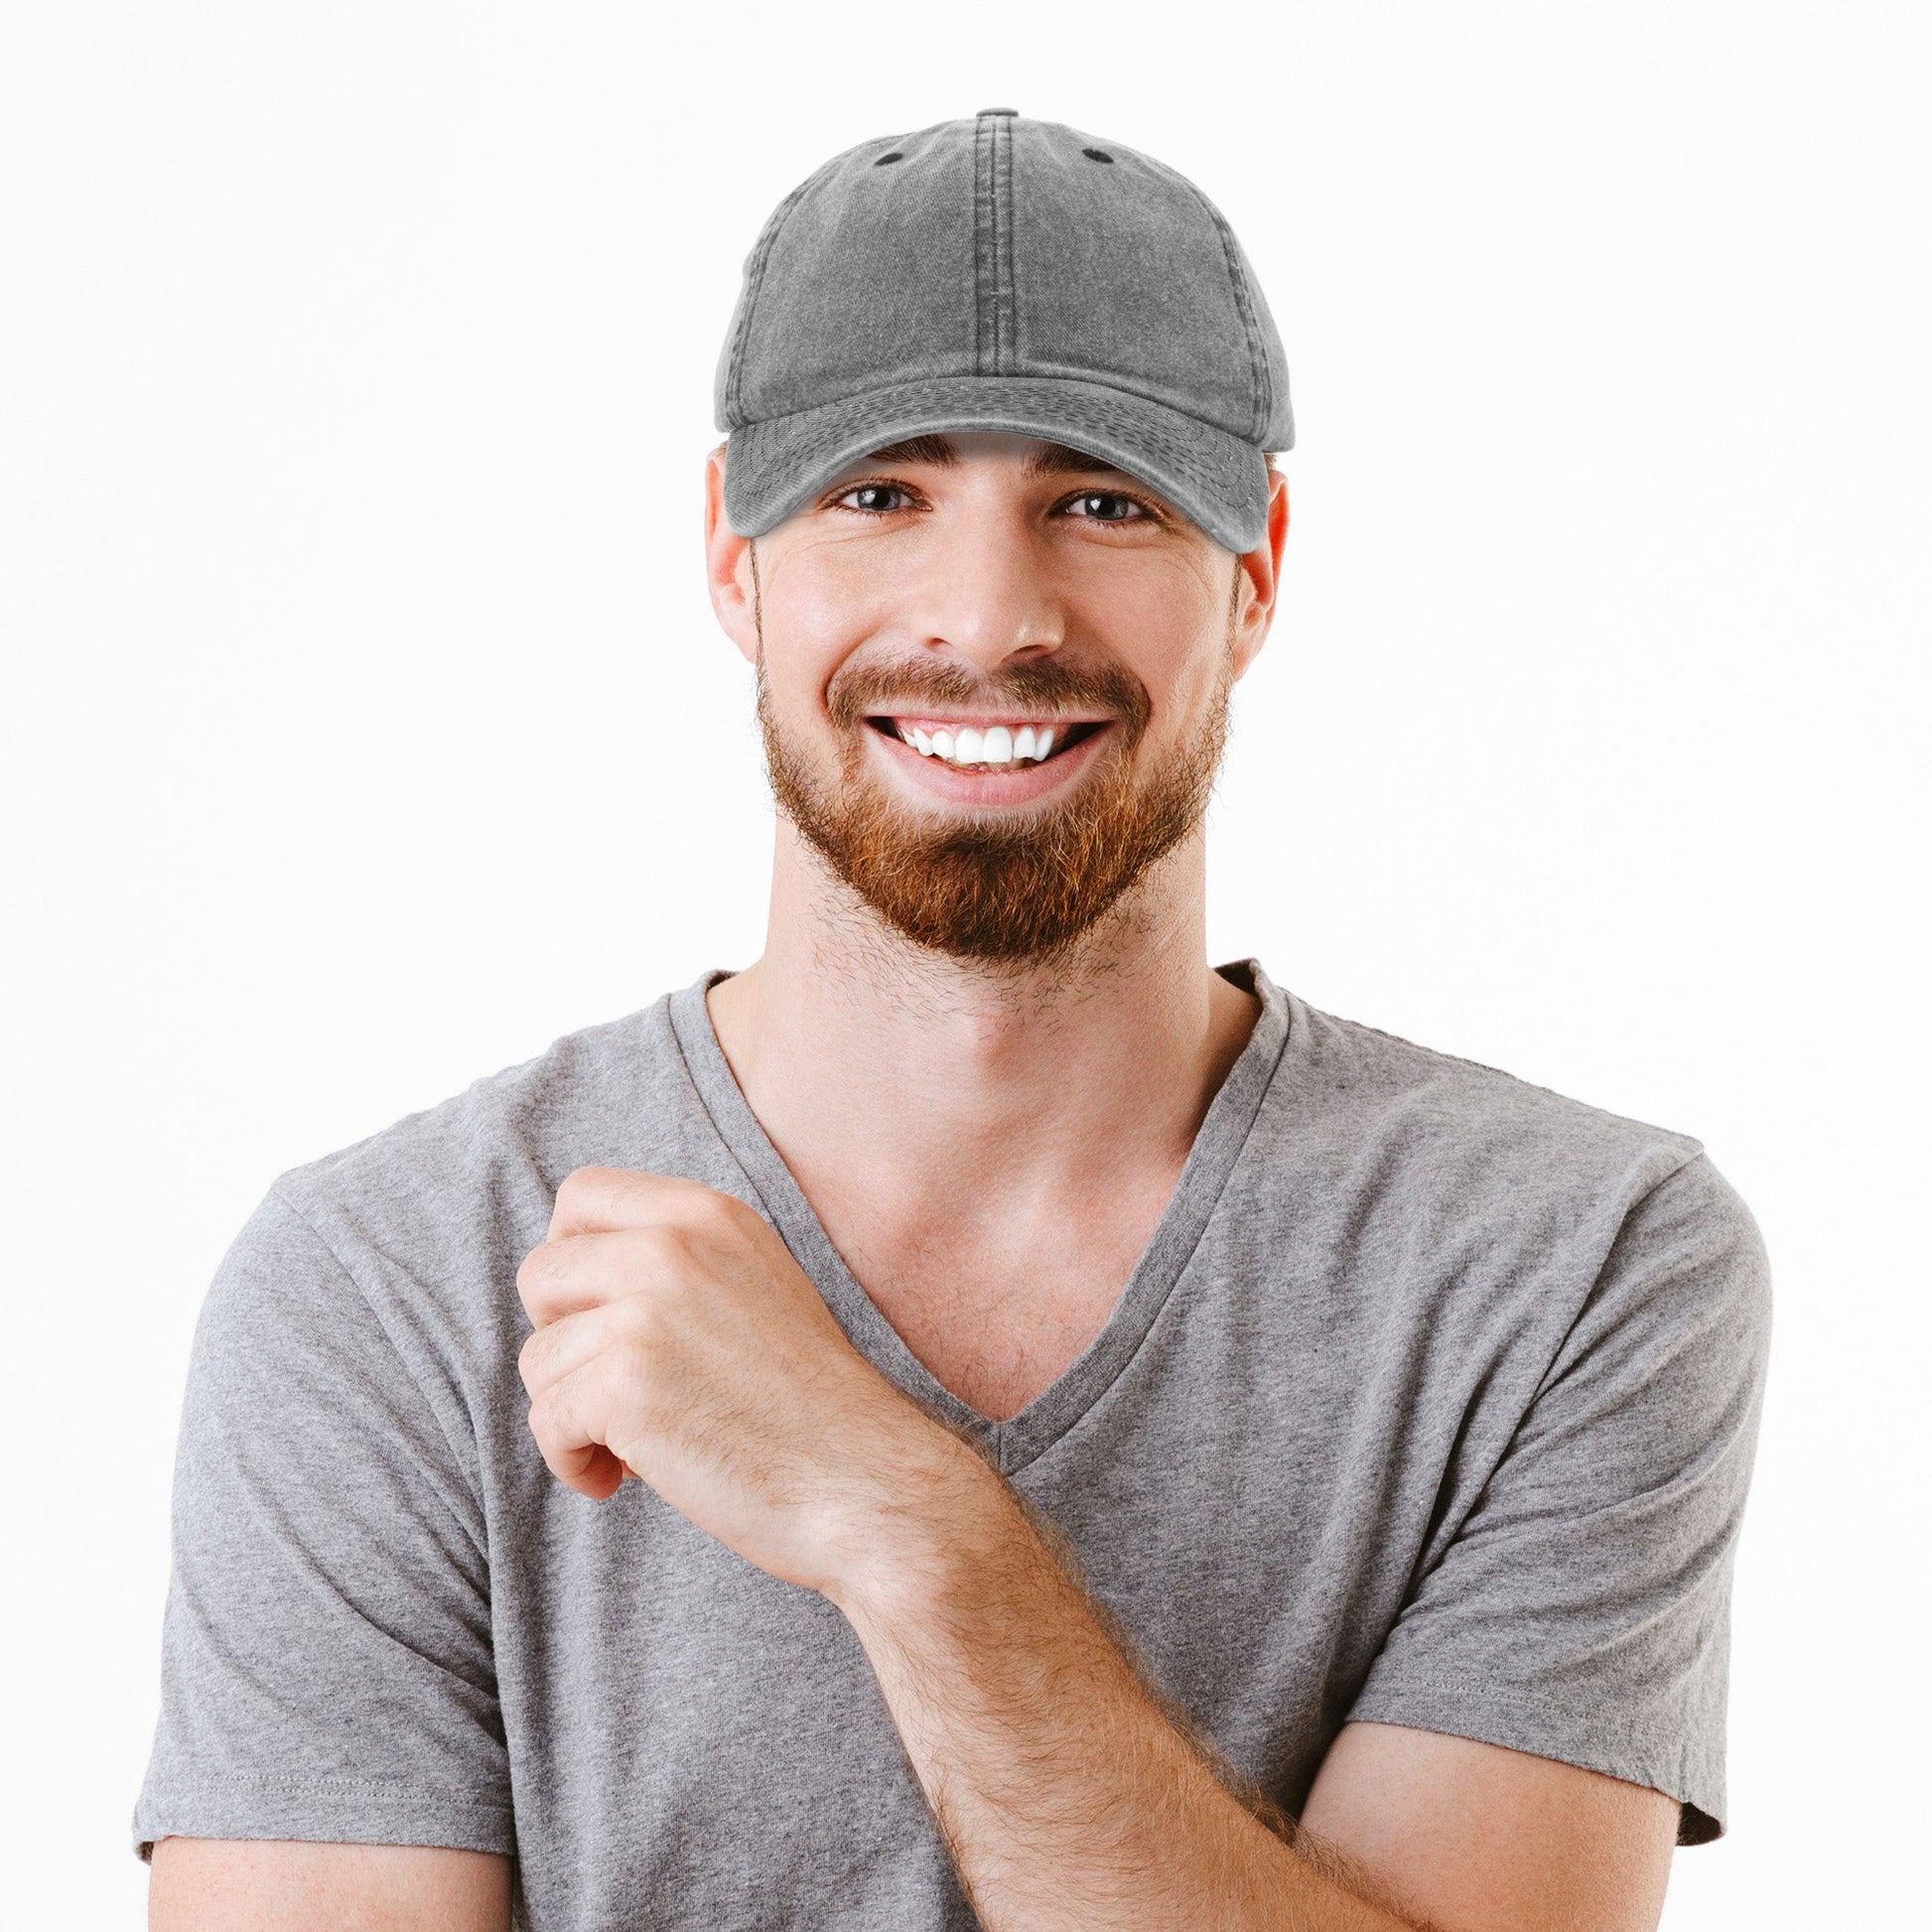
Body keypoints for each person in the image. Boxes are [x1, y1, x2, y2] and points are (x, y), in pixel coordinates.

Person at [138, 110, 1771, 1932]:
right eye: (877, 494)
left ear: (1255, 568)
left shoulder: (1566, 1264)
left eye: (1102, 500)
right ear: (731, 554)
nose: (988, 618)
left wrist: (901, 1524)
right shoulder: (390, 1283)